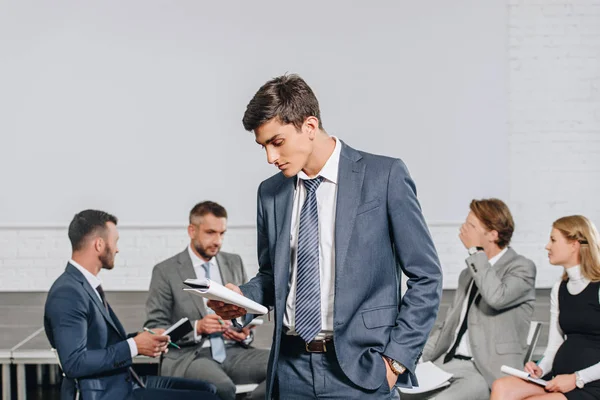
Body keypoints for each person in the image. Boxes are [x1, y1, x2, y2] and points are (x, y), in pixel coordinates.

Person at [208, 74, 443, 399]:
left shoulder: (383, 177)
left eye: (277, 142)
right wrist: (242, 300)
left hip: (362, 371)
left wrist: (396, 361)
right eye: (263, 147)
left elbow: (427, 276)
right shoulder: (271, 193)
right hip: (289, 370)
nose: (270, 158)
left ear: (309, 125)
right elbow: (272, 276)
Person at [44, 209, 219, 400]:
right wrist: (134, 346)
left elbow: (102, 345)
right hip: (106, 392)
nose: (117, 249)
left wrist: (143, 339)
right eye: (115, 241)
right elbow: (75, 362)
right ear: (99, 244)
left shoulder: (85, 285)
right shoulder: (68, 292)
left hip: (124, 381)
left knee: (209, 390)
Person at [408, 199, 537, 400]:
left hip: (484, 371)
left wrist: (475, 251)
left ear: (493, 234)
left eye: (471, 225)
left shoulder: (521, 267)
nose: (463, 229)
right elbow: (448, 327)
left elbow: (496, 297)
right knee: (393, 393)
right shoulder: (467, 274)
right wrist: (418, 357)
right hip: (447, 365)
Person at [145, 201, 269, 400]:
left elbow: (247, 310)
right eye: (210, 232)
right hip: (191, 356)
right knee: (222, 387)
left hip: (234, 351)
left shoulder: (234, 262)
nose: (218, 241)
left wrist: (243, 332)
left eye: (222, 233)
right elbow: (154, 327)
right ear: (192, 230)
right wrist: (197, 327)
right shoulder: (165, 271)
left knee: (283, 367)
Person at [491, 215, 600, 400]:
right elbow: (554, 346)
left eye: (553, 240)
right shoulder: (560, 287)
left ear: (574, 244)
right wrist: (541, 368)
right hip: (558, 380)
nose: (547, 246)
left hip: (591, 384)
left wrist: (577, 378)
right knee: (501, 387)